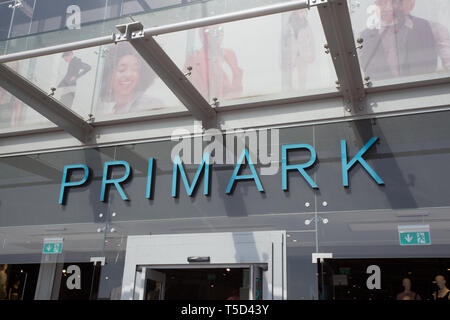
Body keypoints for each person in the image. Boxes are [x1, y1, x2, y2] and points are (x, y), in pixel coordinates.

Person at [359, 0, 450, 81]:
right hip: (382, 95)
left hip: (424, 92)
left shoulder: (432, 29)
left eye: (395, 2)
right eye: (382, 2)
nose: (389, 8)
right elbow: (364, 73)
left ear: (412, 4)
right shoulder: (365, 37)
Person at [98, 42, 161, 115]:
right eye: (122, 70)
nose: (129, 75)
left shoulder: (150, 105)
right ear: (108, 75)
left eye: (135, 69)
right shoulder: (106, 113)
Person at [184, 25, 243, 102]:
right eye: (210, 32)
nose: (216, 35)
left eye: (219, 30)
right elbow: (192, 93)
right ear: (202, 37)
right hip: (215, 106)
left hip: (237, 103)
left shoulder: (230, 54)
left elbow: (237, 83)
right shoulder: (195, 60)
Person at [281, 9, 316, 91]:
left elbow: (312, 41)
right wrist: (281, 60)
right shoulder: (288, 25)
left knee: (302, 77)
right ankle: (291, 93)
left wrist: (312, 55)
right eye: (300, 12)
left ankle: (302, 92)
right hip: (291, 56)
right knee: (289, 78)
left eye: (303, 12)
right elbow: (282, 43)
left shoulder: (306, 25)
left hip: (302, 55)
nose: (302, 13)